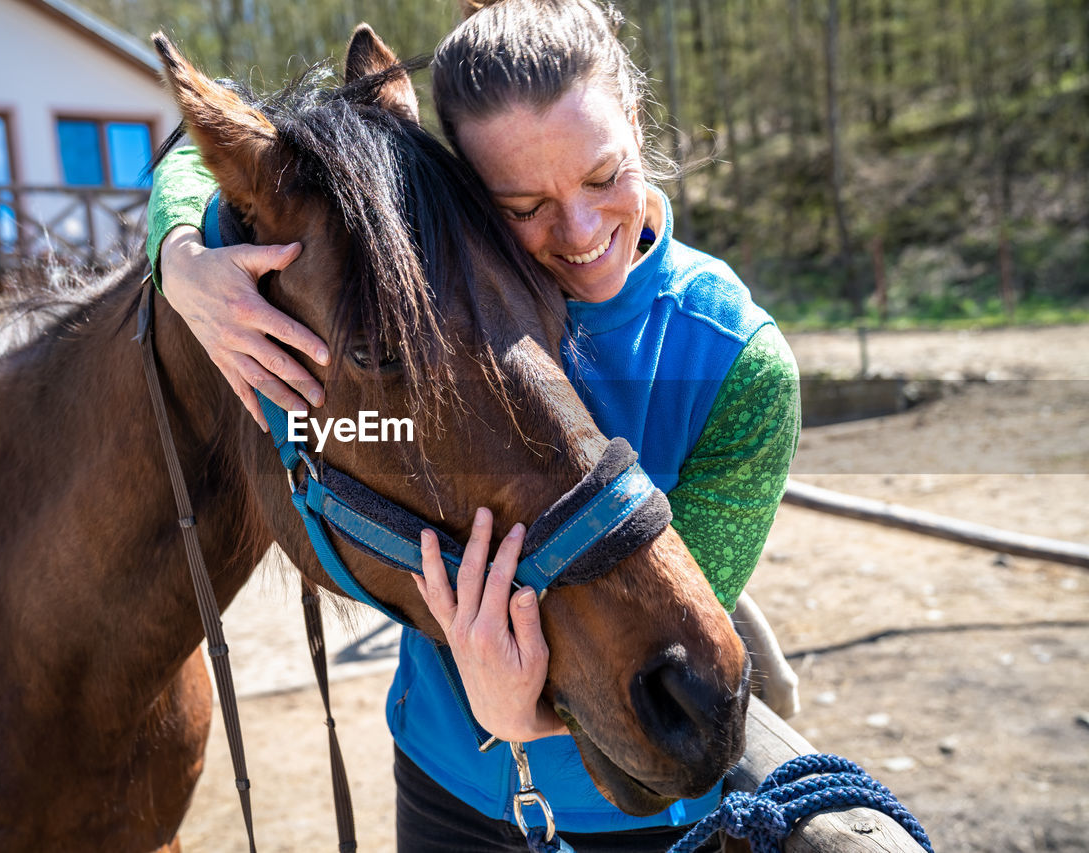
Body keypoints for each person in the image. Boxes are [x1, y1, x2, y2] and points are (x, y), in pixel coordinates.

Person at [146, 0, 800, 848]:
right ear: (457, 181)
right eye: (523, 204)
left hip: (638, 813)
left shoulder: (736, 360)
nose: (580, 234)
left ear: (635, 123)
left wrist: (520, 710)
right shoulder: (447, 267)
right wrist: (183, 260)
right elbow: (213, 150)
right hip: (442, 777)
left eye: (604, 176)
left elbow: (664, 651)